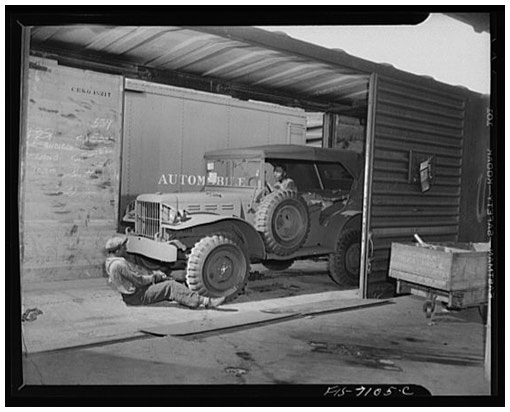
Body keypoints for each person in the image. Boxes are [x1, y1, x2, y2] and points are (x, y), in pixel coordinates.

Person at [104, 236, 225, 309]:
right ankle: (205, 302)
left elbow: (136, 276)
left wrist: (153, 276)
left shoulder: (110, 262)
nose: (126, 249)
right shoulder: (119, 265)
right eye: (124, 248)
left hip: (131, 294)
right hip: (136, 297)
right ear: (118, 250)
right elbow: (139, 281)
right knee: (170, 286)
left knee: (167, 281)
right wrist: (155, 277)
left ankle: (187, 297)